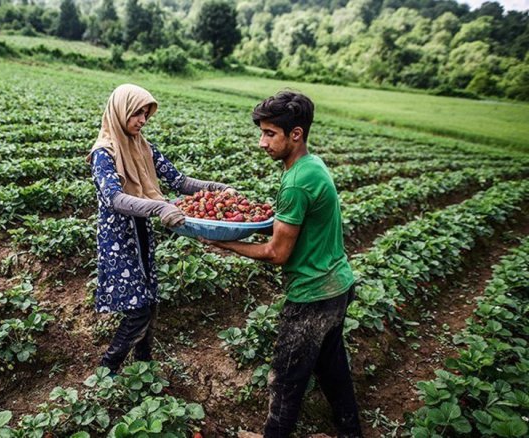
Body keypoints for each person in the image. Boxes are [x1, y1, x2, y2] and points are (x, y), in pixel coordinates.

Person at [200, 91, 362, 437]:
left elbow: (277, 254)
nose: (261, 143)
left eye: (269, 134)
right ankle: (351, 431)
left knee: (285, 382)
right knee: (332, 368)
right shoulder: (311, 165)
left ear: (296, 134)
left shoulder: (297, 183)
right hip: (338, 285)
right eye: (261, 132)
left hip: (313, 296)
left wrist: (223, 241)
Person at [89, 83, 233, 374]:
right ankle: (108, 368)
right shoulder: (103, 153)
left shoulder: (142, 146)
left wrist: (215, 188)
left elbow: (178, 181)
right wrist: (158, 207)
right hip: (119, 238)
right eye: (136, 114)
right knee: (138, 309)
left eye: (145, 114)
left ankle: (143, 366)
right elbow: (114, 199)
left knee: (150, 304)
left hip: (141, 233)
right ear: (120, 112)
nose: (142, 120)